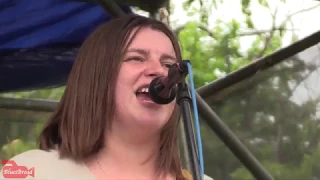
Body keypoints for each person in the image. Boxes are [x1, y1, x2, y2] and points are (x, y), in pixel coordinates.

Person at [0, 14, 212, 180]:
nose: (158, 71)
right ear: (96, 76)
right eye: (136, 58)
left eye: (168, 65)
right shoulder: (33, 171)